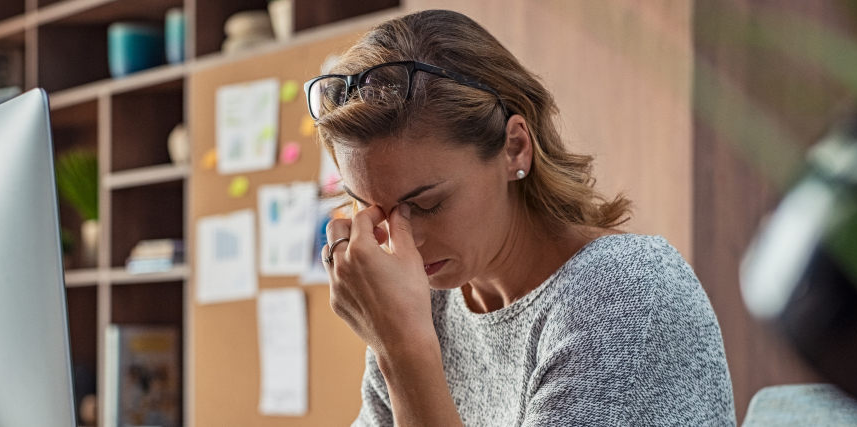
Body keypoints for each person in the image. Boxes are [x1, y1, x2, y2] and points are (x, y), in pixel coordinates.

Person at [308, 9, 734, 426]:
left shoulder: (626, 294)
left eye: (426, 204)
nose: (403, 242)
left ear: (514, 147)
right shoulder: (426, 305)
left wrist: (403, 351)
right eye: (373, 209)